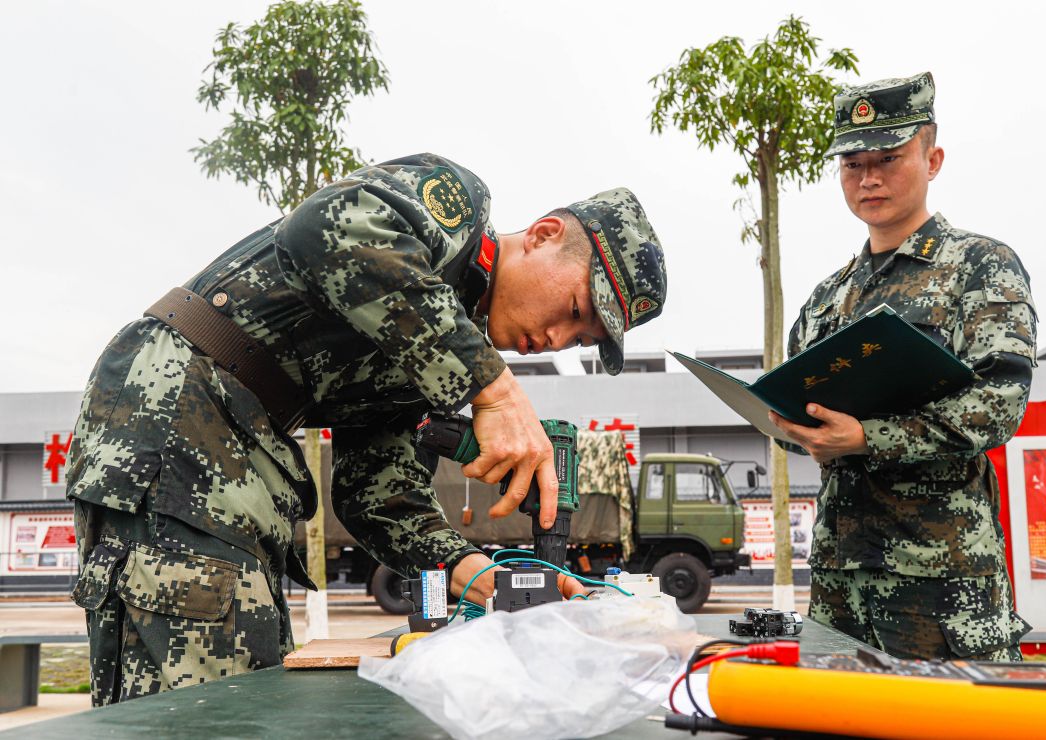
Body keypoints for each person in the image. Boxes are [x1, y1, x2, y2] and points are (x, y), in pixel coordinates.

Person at [66, 153, 667, 705]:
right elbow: (326, 228)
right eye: (574, 310)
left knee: (248, 686)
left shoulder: (426, 349)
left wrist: (478, 574)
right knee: (207, 709)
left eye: (580, 339)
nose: (557, 341)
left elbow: (379, 494)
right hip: (178, 407)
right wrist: (497, 388)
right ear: (542, 236)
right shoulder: (453, 214)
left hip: (237, 443)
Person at [770, 73, 1035, 661]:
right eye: (852, 163)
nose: (869, 177)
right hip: (840, 578)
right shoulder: (826, 298)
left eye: (889, 158)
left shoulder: (981, 267)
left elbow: (998, 403)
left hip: (940, 578)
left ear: (932, 159)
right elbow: (796, 417)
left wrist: (868, 436)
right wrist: (798, 431)